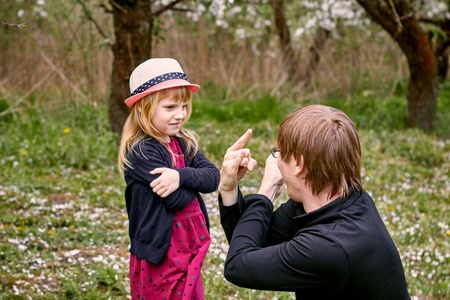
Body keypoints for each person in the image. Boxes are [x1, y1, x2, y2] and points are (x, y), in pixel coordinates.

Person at [218, 105, 410, 299]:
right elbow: (248, 241)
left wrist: (267, 190)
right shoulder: (337, 199)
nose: (276, 160)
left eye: (280, 152)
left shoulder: (330, 246)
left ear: (299, 165)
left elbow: (238, 265)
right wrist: (229, 190)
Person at [118, 58, 220, 300]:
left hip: (190, 241)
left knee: (189, 294)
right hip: (161, 247)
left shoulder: (183, 141)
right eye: (170, 108)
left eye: (184, 106)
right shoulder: (141, 150)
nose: (180, 115)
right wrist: (193, 183)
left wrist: (180, 175)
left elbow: (212, 177)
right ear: (143, 108)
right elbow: (175, 199)